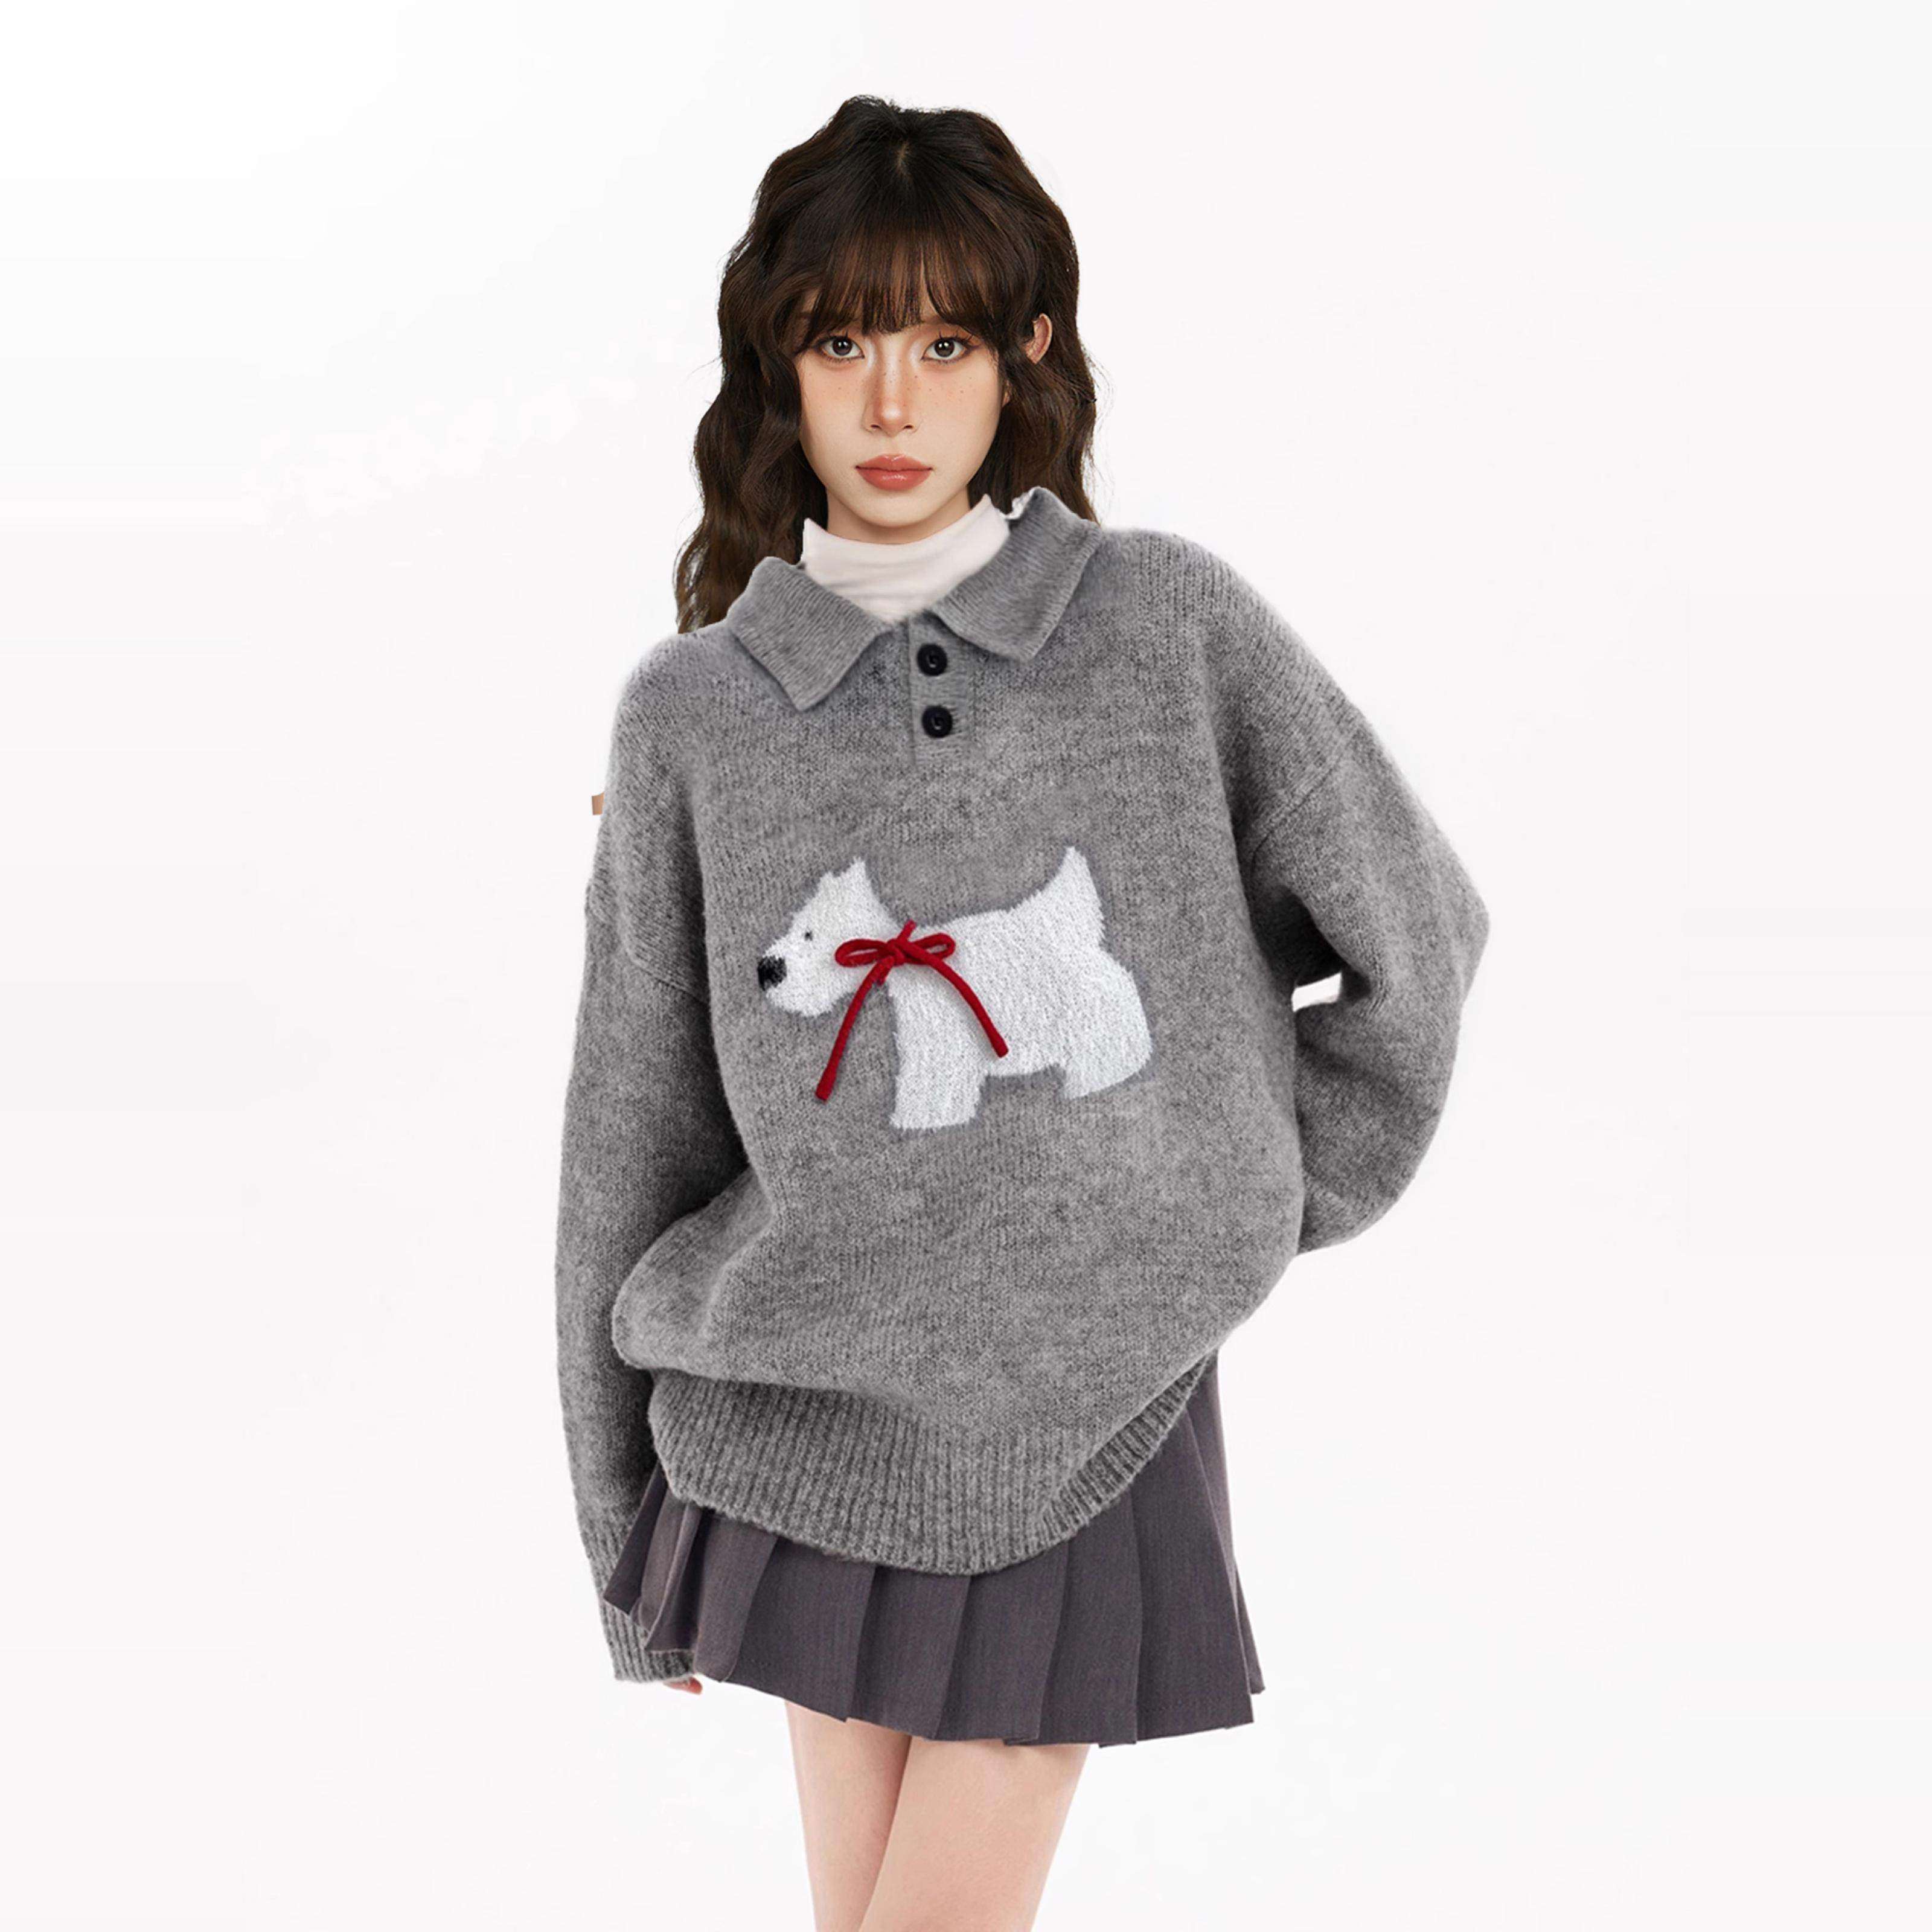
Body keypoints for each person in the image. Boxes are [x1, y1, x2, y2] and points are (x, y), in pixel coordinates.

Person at [555, 94, 1491, 1931]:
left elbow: (1417, 927)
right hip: (789, 1415)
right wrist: (614, 1525)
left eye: (943, 343)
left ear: (1026, 351)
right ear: (778, 366)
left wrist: (1246, 1188)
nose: (892, 403)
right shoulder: (695, 714)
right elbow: (630, 1131)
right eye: (843, 344)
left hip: (1090, 1405)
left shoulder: (1167, 627)